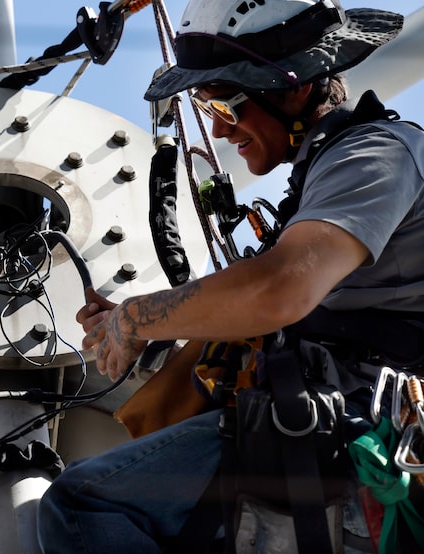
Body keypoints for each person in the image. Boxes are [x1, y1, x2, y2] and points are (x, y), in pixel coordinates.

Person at [37, 0, 423, 552]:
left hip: (363, 441)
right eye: (204, 106)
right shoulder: (320, 182)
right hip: (320, 431)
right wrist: (141, 336)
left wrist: (137, 318)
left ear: (294, 89)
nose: (219, 132)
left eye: (225, 104)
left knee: (87, 502)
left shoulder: (375, 154)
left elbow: (278, 288)